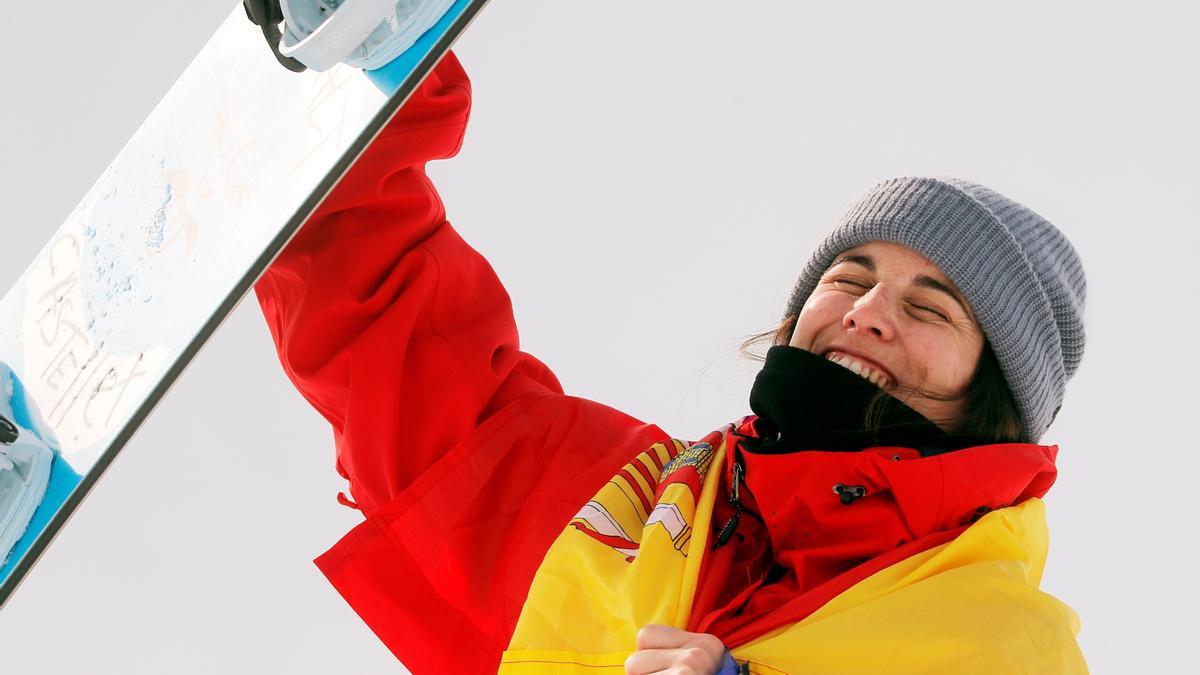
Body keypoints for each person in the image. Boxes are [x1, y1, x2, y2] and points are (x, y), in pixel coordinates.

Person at [255, 52, 1088, 673]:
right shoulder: (625, 512)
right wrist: (371, 70)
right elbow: (388, 322)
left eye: (928, 306)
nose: (868, 312)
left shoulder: (1002, 640)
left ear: (993, 400)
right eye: (849, 278)